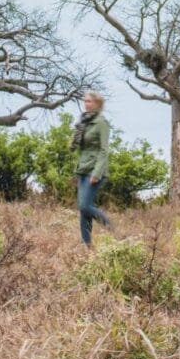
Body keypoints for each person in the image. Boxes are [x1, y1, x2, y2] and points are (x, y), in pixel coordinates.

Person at [73, 91, 112, 246]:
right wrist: (77, 172)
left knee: (85, 205)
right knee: (83, 210)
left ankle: (110, 226)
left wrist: (97, 173)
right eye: (85, 101)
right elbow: (82, 150)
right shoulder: (84, 122)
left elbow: (104, 150)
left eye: (89, 101)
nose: (86, 103)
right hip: (82, 169)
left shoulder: (101, 122)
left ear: (97, 104)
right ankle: (86, 244)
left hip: (95, 171)